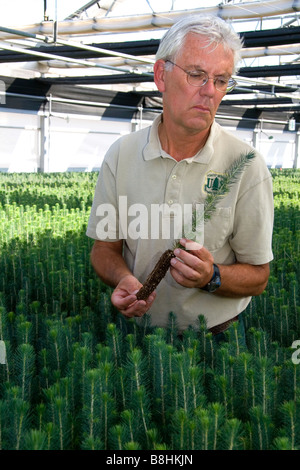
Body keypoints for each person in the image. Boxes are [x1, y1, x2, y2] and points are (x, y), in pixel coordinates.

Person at [86, 15, 274, 336]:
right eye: (197, 75)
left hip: (214, 335)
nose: (210, 92)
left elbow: (258, 275)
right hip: (137, 333)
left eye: (221, 80)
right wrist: (124, 279)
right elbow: (104, 250)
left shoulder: (247, 164)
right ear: (161, 75)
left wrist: (211, 276)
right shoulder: (121, 155)